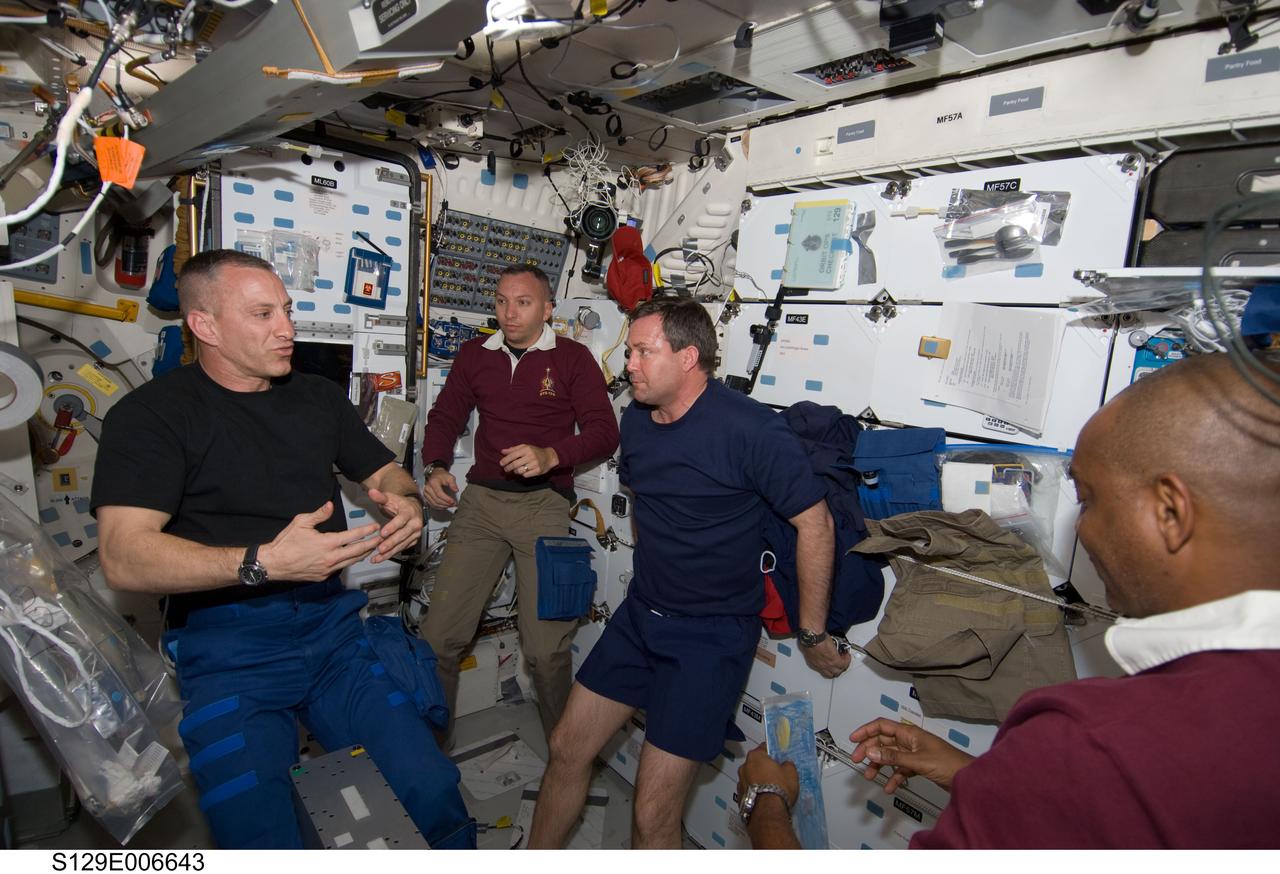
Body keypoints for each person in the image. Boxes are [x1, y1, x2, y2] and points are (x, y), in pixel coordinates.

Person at [737, 351, 1280, 849]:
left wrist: (764, 802)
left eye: (1086, 499)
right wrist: (977, 775)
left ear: (1170, 512)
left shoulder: (1093, 740)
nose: (1079, 534)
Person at [91, 250, 474, 849]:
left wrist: (406, 500)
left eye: (288, 311)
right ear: (205, 326)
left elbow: (382, 468)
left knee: (431, 787)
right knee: (258, 835)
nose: (287, 329)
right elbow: (123, 555)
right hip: (228, 648)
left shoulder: (317, 397)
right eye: (264, 314)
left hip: (333, 632)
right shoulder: (150, 417)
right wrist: (261, 561)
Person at [529, 298, 851, 849]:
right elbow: (651, 498)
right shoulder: (636, 419)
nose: (626, 363)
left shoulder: (750, 429)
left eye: (641, 351)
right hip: (641, 615)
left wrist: (814, 632)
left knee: (653, 813)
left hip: (710, 635)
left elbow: (815, 525)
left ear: (687, 358)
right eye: (629, 350)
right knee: (566, 747)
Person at [419, 264, 619, 741]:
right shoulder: (475, 354)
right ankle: (430, 756)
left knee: (546, 651)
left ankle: (564, 758)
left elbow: (604, 433)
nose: (509, 312)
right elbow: (446, 414)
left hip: (543, 507)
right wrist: (435, 466)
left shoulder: (572, 359)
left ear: (547, 309)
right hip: (482, 504)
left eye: (523, 302)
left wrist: (552, 454)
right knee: (437, 639)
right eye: (502, 301)